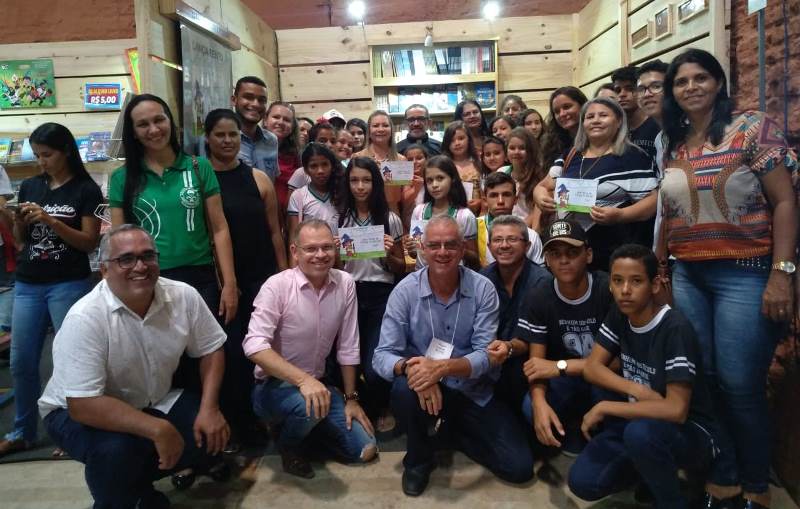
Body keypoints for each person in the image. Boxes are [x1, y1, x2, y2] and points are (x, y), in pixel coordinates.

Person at [660, 48, 798, 509]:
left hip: (746, 271)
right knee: (704, 378)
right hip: (687, 273)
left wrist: (782, 273)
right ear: (672, 92)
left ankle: (756, 483)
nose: (691, 87)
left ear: (718, 83)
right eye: (681, 81)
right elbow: (668, 211)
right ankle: (724, 473)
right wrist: (663, 265)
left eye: (701, 78)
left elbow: (784, 202)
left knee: (740, 382)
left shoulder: (753, 128)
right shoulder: (673, 142)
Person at [39, 224, 229, 508]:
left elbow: (211, 348)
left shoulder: (183, 295)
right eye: (126, 259)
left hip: (151, 399)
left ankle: (138, 489)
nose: (140, 266)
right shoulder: (86, 317)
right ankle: (118, 500)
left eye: (148, 256)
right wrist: (158, 429)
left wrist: (209, 408)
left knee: (208, 434)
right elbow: (82, 404)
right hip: (73, 412)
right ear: (104, 270)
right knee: (115, 451)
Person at [374, 215, 534, 496]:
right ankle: (418, 459)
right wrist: (411, 368)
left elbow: (487, 356)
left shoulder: (482, 289)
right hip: (423, 389)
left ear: (463, 249)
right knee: (402, 389)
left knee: (519, 467)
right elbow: (382, 355)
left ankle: (450, 434)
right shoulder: (404, 292)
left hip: (474, 389)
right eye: (434, 245)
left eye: (451, 245)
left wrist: (441, 369)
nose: (443, 252)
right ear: (422, 248)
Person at [569, 244, 717, 509]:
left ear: (655, 284)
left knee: (640, 434)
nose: (625, 290)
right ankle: (649, 471)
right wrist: (636, 390)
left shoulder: (674, 328)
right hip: (642, 418)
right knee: (583, 482)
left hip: (690, 432)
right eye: (618, 281)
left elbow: (676, 409)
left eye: (636, 281)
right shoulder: (620, 313)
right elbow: (592, 367)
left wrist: (606, 406)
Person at [245, 219, 377, 479]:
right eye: (311, 249)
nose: (320, 255)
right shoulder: (277, 286)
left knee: (365, 450)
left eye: (327, 247)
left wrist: (351, 399)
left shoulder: (345, 283)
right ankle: (289, 445)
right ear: (295, 252)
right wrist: (302, 380)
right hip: (274, 387)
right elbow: (254, 345)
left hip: (319, 385)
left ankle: (308, 429)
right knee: (309, 408)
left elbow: (348, 345)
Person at [0, 123, 103, 456]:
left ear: (66, 152)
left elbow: (89, 242)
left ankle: (72, 428)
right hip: (29, 283)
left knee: (69, 360)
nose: (42, 162)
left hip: (68, 281)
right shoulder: (30, 185)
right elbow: (20, 242)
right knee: (21, 361)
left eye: (48, 155)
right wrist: (17, 219)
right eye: (38, 155)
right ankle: (23, 430)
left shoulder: (86, 189)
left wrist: (51, 220)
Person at [109, 94, 238, 324]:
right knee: (162, 356)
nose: (154, 129)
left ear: (171, 121)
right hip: (148, 278)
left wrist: (229, 284)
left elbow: (220, 228)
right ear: (134, 132)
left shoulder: (199, 166)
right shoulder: (121, 178)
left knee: (209, 352)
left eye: (159, 120)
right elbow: (118, 242)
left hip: (201, 276)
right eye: (143, 124)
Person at [204, 109, 287, 444]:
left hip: (262, 275)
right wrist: (226, 282)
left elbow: (275, 232)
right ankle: (238, 420)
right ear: (207, 138)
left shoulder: (258, 178)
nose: (227, 141)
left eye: (233, 135)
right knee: (233, 352)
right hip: (224, 282)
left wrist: (283, 274)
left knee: (267, 346)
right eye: (220, 135)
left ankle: (269, 414)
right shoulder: (201, 179)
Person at [515, 220, 614, 455]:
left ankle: (607, 440)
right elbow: (536, 365)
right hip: (568, 379)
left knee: (605, 390)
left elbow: (623, 360)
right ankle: (572, 429)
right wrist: (538, 403)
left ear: (588, 255)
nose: (563, 260)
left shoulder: (608, 289)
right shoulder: (540, 295)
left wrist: (560, 366)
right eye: (555, 254)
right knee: (530, 406)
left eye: (572, 252)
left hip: (608, 377)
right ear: (546, 260)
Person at [533, 97, 658, 271]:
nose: (596, 120)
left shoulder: (633, 157)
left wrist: (621, 215)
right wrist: (540, 197)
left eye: (603, 115)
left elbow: (654, 200)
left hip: (611, 251)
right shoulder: (571, 155)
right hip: (567, 249)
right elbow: (543, 186)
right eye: (590, 117)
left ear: (619, 121)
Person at [336, 157, 405, 432]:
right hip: (348, 293)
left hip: (381, 295)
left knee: (375, 363)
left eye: (366, 180)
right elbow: (335, 268)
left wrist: (389, 254)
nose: (360, 186)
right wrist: (334, 253)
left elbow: (400, 268)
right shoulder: (339, 218)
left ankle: (383, 405)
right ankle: (359, 404)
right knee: (347, 356)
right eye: (354, 180)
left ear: (376, 183)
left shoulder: (390, 219)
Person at [480, 214, 550, 413]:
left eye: (512, 239)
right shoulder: (482, 279)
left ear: (527, 246)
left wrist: (508, 348)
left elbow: (542, 337)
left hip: (531, 359)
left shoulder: (542, 281)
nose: (504, 245)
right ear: (490, 245)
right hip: (491, 356)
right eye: (498, 240)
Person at [405, 155, 478, 269]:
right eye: (429, 180)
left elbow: (474, 258)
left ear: (452, 179)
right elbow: (415, 255)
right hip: (423, 277)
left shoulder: (464, 216)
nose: (434, 185)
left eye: (440, 178)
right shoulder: (419, 211)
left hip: (454, 276)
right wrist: (412, 248)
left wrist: (456, 246)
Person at [476, 171, 543, 267]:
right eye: (494, 195)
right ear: (485, 201)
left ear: (515, 199)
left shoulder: (531, 236)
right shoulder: (473, 229)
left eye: (506, 194)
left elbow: (538, 275)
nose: (500, 201)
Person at [287, 143, 340, 251]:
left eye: (325, 164)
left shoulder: (341, 193)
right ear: (306, 170)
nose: (320, 171)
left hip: (341, 257)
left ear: (332, 166)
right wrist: (293, 267)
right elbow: (294, 236)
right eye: (313, 166)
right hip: (312, 256)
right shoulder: (298, 196)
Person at [352, 110, 406, 216]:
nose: (380, 129)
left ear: (391, 130)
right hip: (365, 216)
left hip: (393, 217)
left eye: (385, 125)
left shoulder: (401, 160)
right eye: (375, 126)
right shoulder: (357, 158)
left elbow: (404, 198)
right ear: (369, 130)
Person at [231, 76, 279, 180]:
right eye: (248, 97)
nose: (256, 104)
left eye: (262, 100)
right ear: (234, 100)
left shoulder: (271, 140)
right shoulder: (219, 140)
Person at [499, 127, 546, 228]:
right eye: (512, 148)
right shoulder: (502, 172)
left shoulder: (540, 174)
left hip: (529, 228)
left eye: (521, 148)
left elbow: (537, 210)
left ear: (530, 151)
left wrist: (520, 227)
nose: (516, 152)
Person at [612, 65, 661, 161]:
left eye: (629, 88)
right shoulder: (616, 129)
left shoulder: (658, 124)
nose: (622, 94)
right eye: (618, 90)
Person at [264, 101, 301, 212]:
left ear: (292, 126)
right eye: (276, 117)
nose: (281, 122)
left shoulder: (296, 155)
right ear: (265, 120)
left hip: (289, 216)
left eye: (287, 120)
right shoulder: (253, 149)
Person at [540, 86, 588, 168]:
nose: (562, 114)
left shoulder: (597, 138)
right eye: (557, 111)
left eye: (567, 107)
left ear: (582, 105)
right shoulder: (551, 144)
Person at [441, 121, 482, 214]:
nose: (457, 143)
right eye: (452, 140)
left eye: (461, 138)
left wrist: (480, 202)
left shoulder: (480, 162)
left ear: (469, 139)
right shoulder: (443, 165)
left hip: (478, 215)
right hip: (450, 214)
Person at [287, 122, 338, 195]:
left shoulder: (341, 170)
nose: (329, 145)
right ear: (312, 142)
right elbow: (290, 203)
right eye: (322, 141)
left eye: (333, 141)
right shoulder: (302, 173)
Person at [400, 143, 428, 229]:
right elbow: (404, 202)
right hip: (408, 228)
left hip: (430, 225)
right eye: (410, 159)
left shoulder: (432, 178)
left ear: (427, 159)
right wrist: (416, 188)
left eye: (419, 158)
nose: (414, 162)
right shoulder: (402, 180)